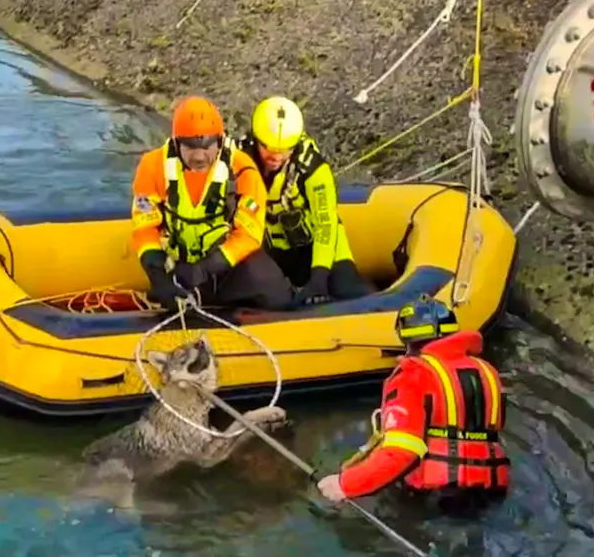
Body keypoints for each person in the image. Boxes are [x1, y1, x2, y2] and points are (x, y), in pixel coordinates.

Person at [315, 294, 510, 510]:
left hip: (435, 494)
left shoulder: (413, 374)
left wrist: (345, 485)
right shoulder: (487, 371)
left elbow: (402, 451)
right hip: (493, 488)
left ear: (407, 339)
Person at [130, 95, 294, 311]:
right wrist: (157, 274)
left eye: (207, 146)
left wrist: (205, 269)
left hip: (229, 266)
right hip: (180, 265)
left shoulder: (243, 170)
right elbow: (145, 228)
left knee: (278, 298)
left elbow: (249, 234)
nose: (199, 157)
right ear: (176, 143)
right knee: (168, 299)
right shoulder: (152, 167)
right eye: (190, 147)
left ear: (220, 140)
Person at [235, 96, 373, 305]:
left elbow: (325, 224)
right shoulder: (240, 160)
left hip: (321, 250)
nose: (275, 156)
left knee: (348, 291)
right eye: (268, 147)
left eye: (284, 149)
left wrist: (318, 278)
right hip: (275, 253)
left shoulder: (313, 169)